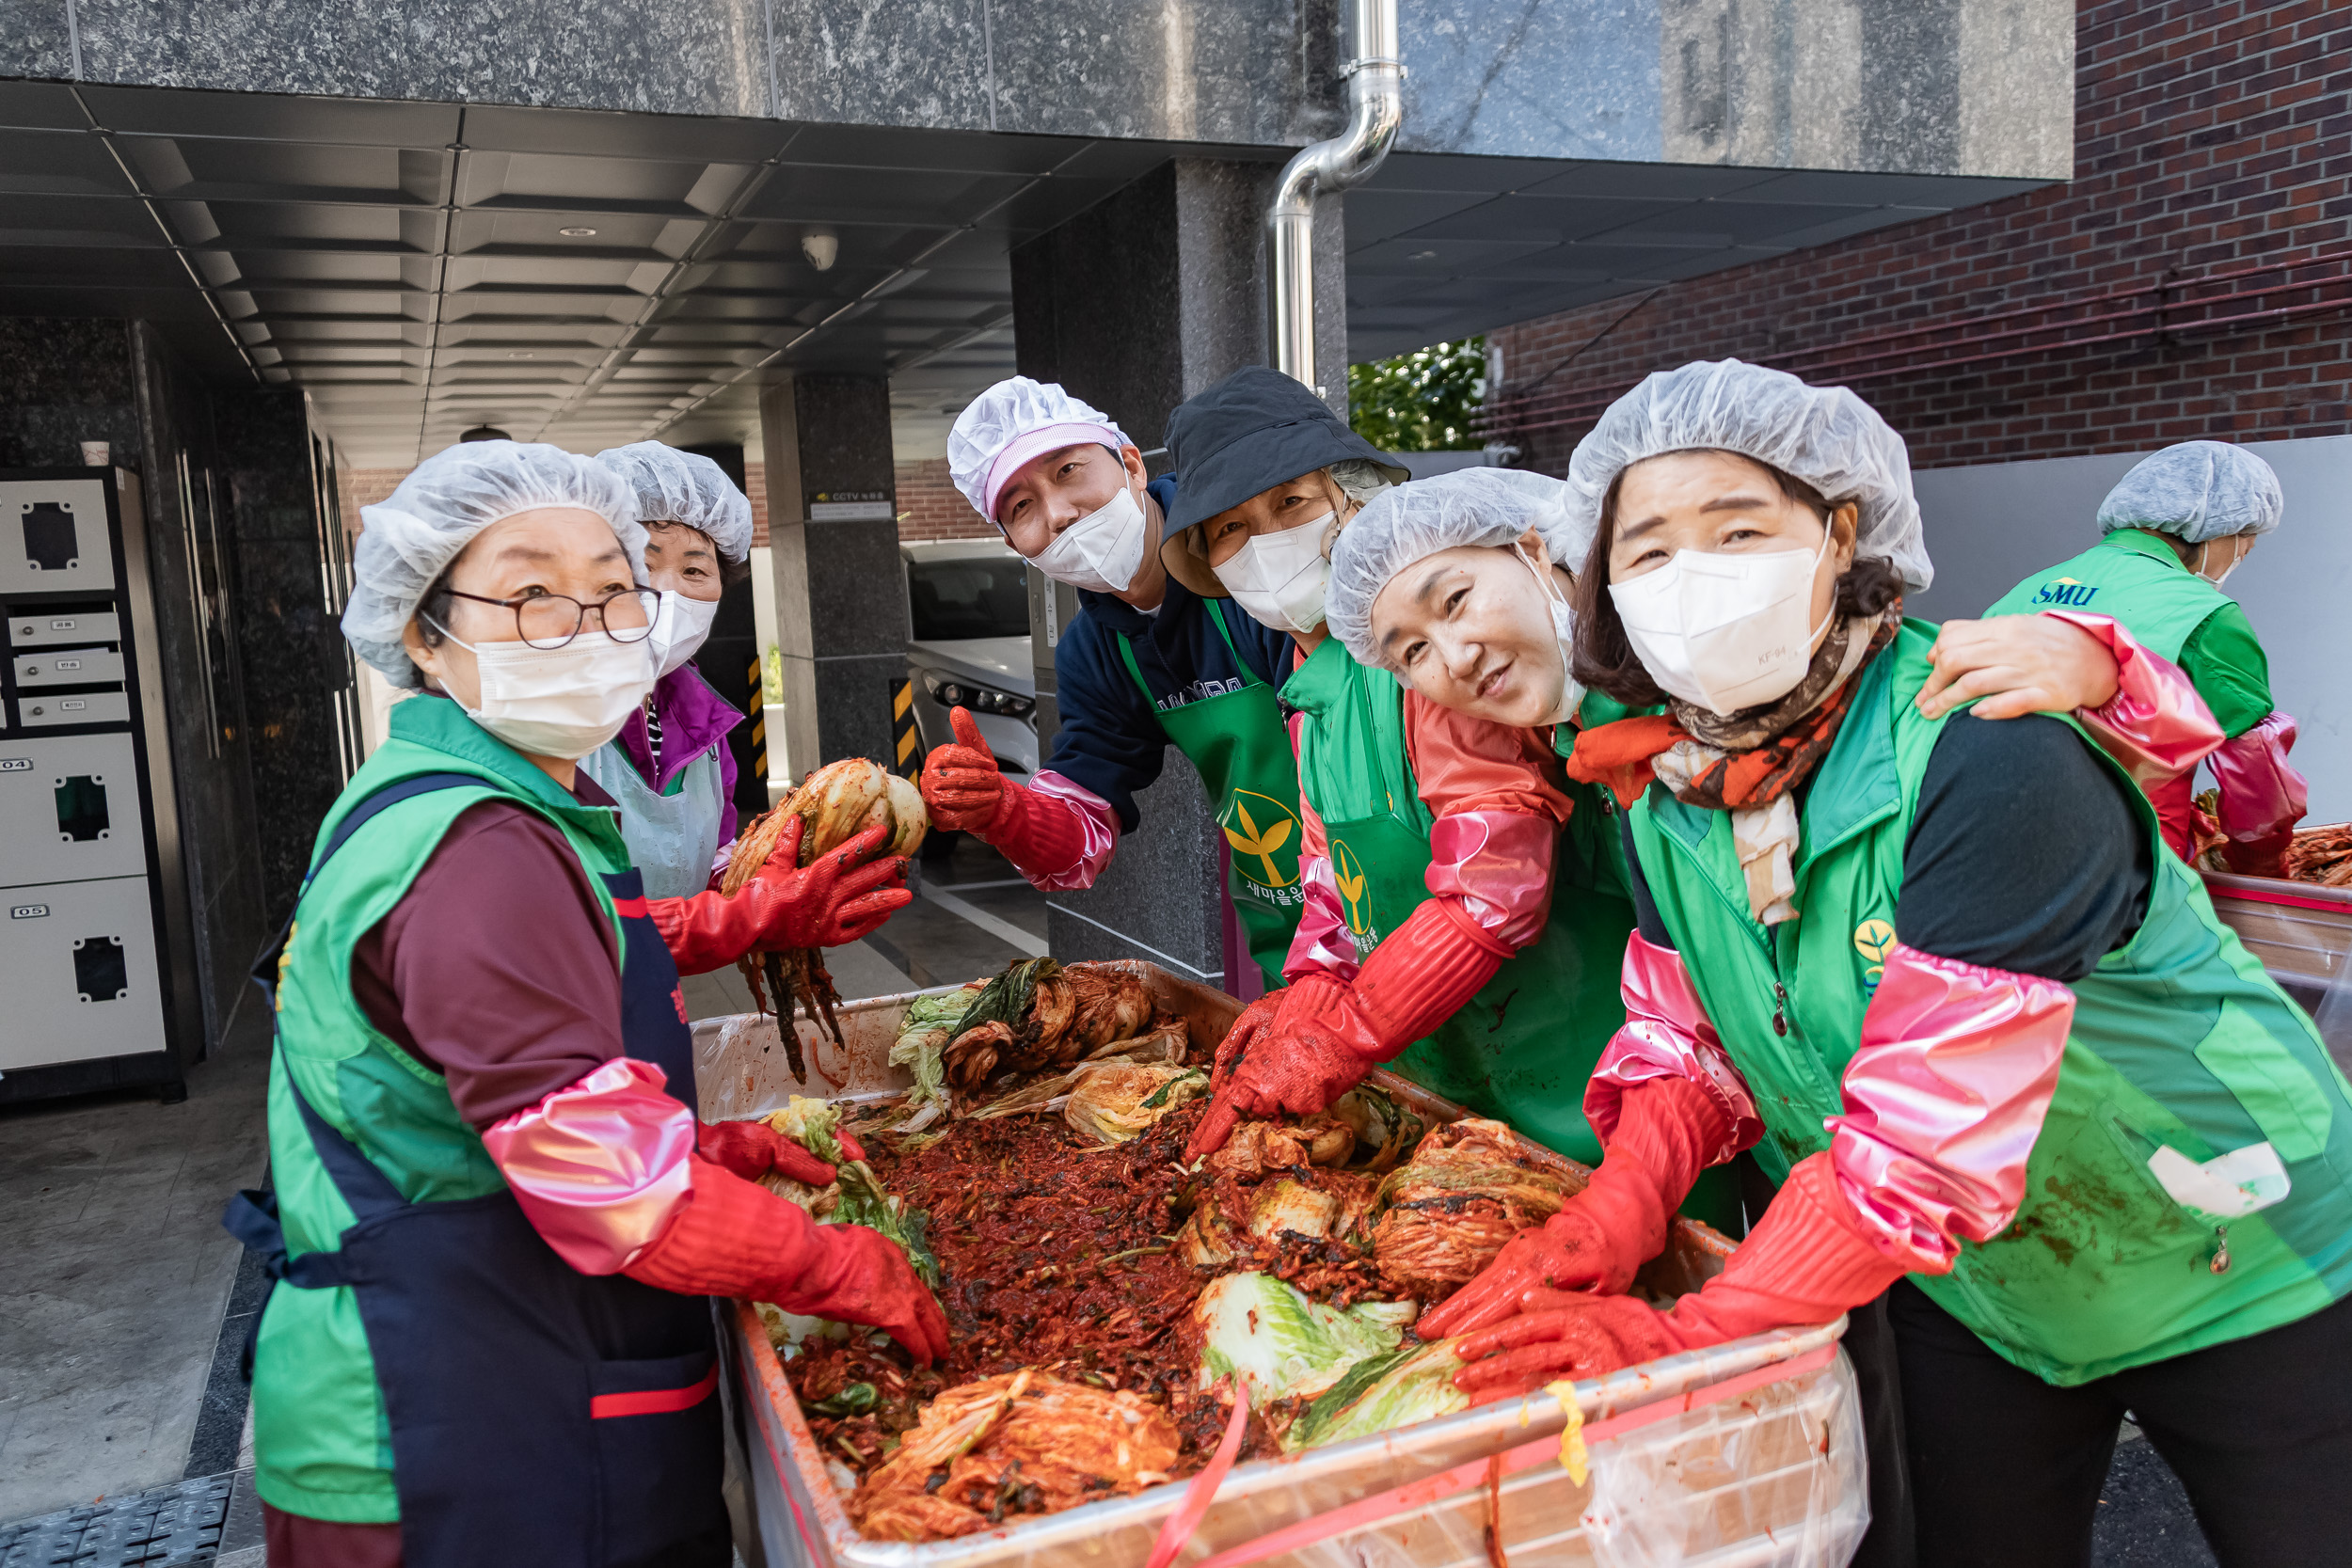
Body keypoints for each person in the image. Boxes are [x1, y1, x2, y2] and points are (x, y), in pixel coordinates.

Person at [1410, 361, 2352, 1568]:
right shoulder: (1665, 791)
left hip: (2236, 1250)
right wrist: (1622, 1194)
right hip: (1977, 1281)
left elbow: (1923, 1133)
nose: (1689, 576)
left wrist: (1711, 1328)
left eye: (1738, 528)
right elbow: (1687, 1032)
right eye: (1646, 552)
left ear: (1838, 531)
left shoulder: (1983, 749)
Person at [229, 441, 943, 1567]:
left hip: (490, 1375)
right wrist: (844, 1262)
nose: (590, 623)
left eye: (616, 591)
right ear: (422, 630)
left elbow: (509, 1034)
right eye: (528, 593)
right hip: (452, 1440)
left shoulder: (452, 794)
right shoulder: (479, 846)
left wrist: (711, 1106)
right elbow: (624, 1195)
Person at [1183, 463, 1693, 1207]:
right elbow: (1328, 873)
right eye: (1412, 649)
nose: (1454, 657)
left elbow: (1496, 890)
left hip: (1599, 1099)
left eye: (1289, 502)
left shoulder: (1628, 716)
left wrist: (1349, 1031)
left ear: (1533, 549)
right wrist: (1314, 990)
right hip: (1473, 1094)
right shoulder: (1314, 707)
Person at [923, 372, 1402, 993]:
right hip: (1292, 936)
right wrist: (1004, 811)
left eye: (1068, 471)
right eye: (1022, 507)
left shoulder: (1257, 567)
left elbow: (1338, 758)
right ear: (1015, 544)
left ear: (1130, 463)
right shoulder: (1097, 650)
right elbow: (1083, 826)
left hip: (1397, 899)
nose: (1059, 512)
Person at [1986, 440, 2309, 873]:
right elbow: (2257, 776)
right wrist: (2261, 864)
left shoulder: (2022, 592)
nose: (2245, 552)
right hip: (2123, 870)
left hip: (1984, 842)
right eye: (2246, 540)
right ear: (2215, 529)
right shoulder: (2205, 615)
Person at [579, 441, 753, 897]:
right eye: (641, 563)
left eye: (695, 571)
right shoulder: (545, 710)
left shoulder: (705, 726)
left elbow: (717, 850)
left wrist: (749, 888)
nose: (667, 592)